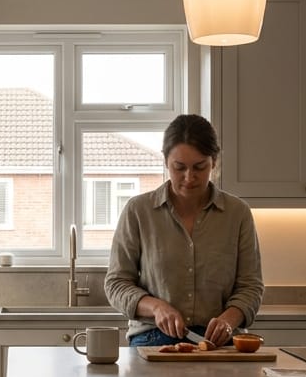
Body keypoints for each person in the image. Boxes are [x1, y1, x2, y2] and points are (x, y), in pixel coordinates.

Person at [104, 114, 264, 348]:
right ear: (166, 162)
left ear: (214, 162)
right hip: (153, 337)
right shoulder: (138, 211)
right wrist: (156, 307)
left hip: (218, 343)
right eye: (179, 168)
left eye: (200, 167)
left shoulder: (237, 213)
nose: (189, 178)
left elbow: (251, 286)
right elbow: (116, 283)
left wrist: (229, 320)